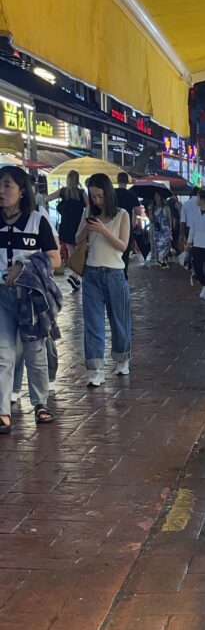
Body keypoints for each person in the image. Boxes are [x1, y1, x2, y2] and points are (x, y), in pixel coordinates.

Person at [0, 165, 60, 431]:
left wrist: (23, 267)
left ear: (22, 191)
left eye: (7, 186)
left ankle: (40, 403)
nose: (1, 191)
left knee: (35, 351)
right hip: (1, 296)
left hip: (30, 298)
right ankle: (3, 412)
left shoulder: (38, 220)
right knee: (3, 353)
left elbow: (55, 259)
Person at [75, 173, 132, 387]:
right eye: (93, 196)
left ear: (108, 194)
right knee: (93, 323)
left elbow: (122, 245)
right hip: (91, 274)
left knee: (119, 322)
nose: (96, 200)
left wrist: (102, 230)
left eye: (100, 196)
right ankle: (95, 369)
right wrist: (86, 228)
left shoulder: (122, 215)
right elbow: (77, 239)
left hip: (115, 274)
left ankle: (122, 358)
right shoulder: (87, 211)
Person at [49, 169, 87, 290]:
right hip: (79, 225)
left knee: (71, 250)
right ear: (77, 179)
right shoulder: (82, 193)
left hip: (66, 225)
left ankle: (74, 275)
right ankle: (77, 275)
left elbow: (47, 198)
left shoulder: (63, 191)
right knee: (81, 250)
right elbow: (89, 207)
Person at [114, 173, 140, 276]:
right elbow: (138, 211)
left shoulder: (112, 193)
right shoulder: (131, 194)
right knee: (125, 251)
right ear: (127, 181)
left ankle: (115, 272)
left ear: (117, 180)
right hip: (126, 225)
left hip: (113, 225)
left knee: (114, 250)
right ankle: (123, 274)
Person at [148, 190, 173, 268]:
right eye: (155, 196)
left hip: (165, 231)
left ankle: (163, 262)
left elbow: (169, 219)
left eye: (157, 195)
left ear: (161, 197)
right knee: (158, 247)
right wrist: (150, 210)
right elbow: (151, 220)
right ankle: (161, 263)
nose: (156, 197)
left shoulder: (166, 207)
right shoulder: (153, 207)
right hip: (157, 231)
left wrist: (170, 229)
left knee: (165, 247)